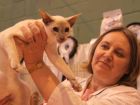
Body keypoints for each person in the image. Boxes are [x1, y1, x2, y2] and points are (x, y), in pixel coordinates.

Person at [0, 20, 140, 105]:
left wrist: (36, 64)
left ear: (129, 67)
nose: (108, 54)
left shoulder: (130, 98)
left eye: (119, 53)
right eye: (104, 46)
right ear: (94, 51)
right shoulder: (69, 84)